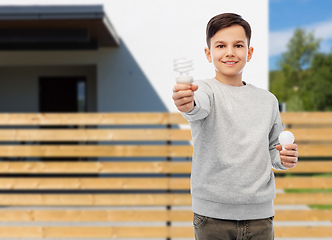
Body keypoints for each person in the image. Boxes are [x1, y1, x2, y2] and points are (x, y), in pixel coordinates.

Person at [172, 13, 298, 240]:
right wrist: (187, 102)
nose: (230, 52)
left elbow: (273, 150)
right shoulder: (202, 90)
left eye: (238, 45)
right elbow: (195, 107)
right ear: (208, 54)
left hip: (260, 215)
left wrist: (284, 159)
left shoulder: (268, 100)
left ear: (249, 53)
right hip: (211, 217)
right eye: (221, 45)